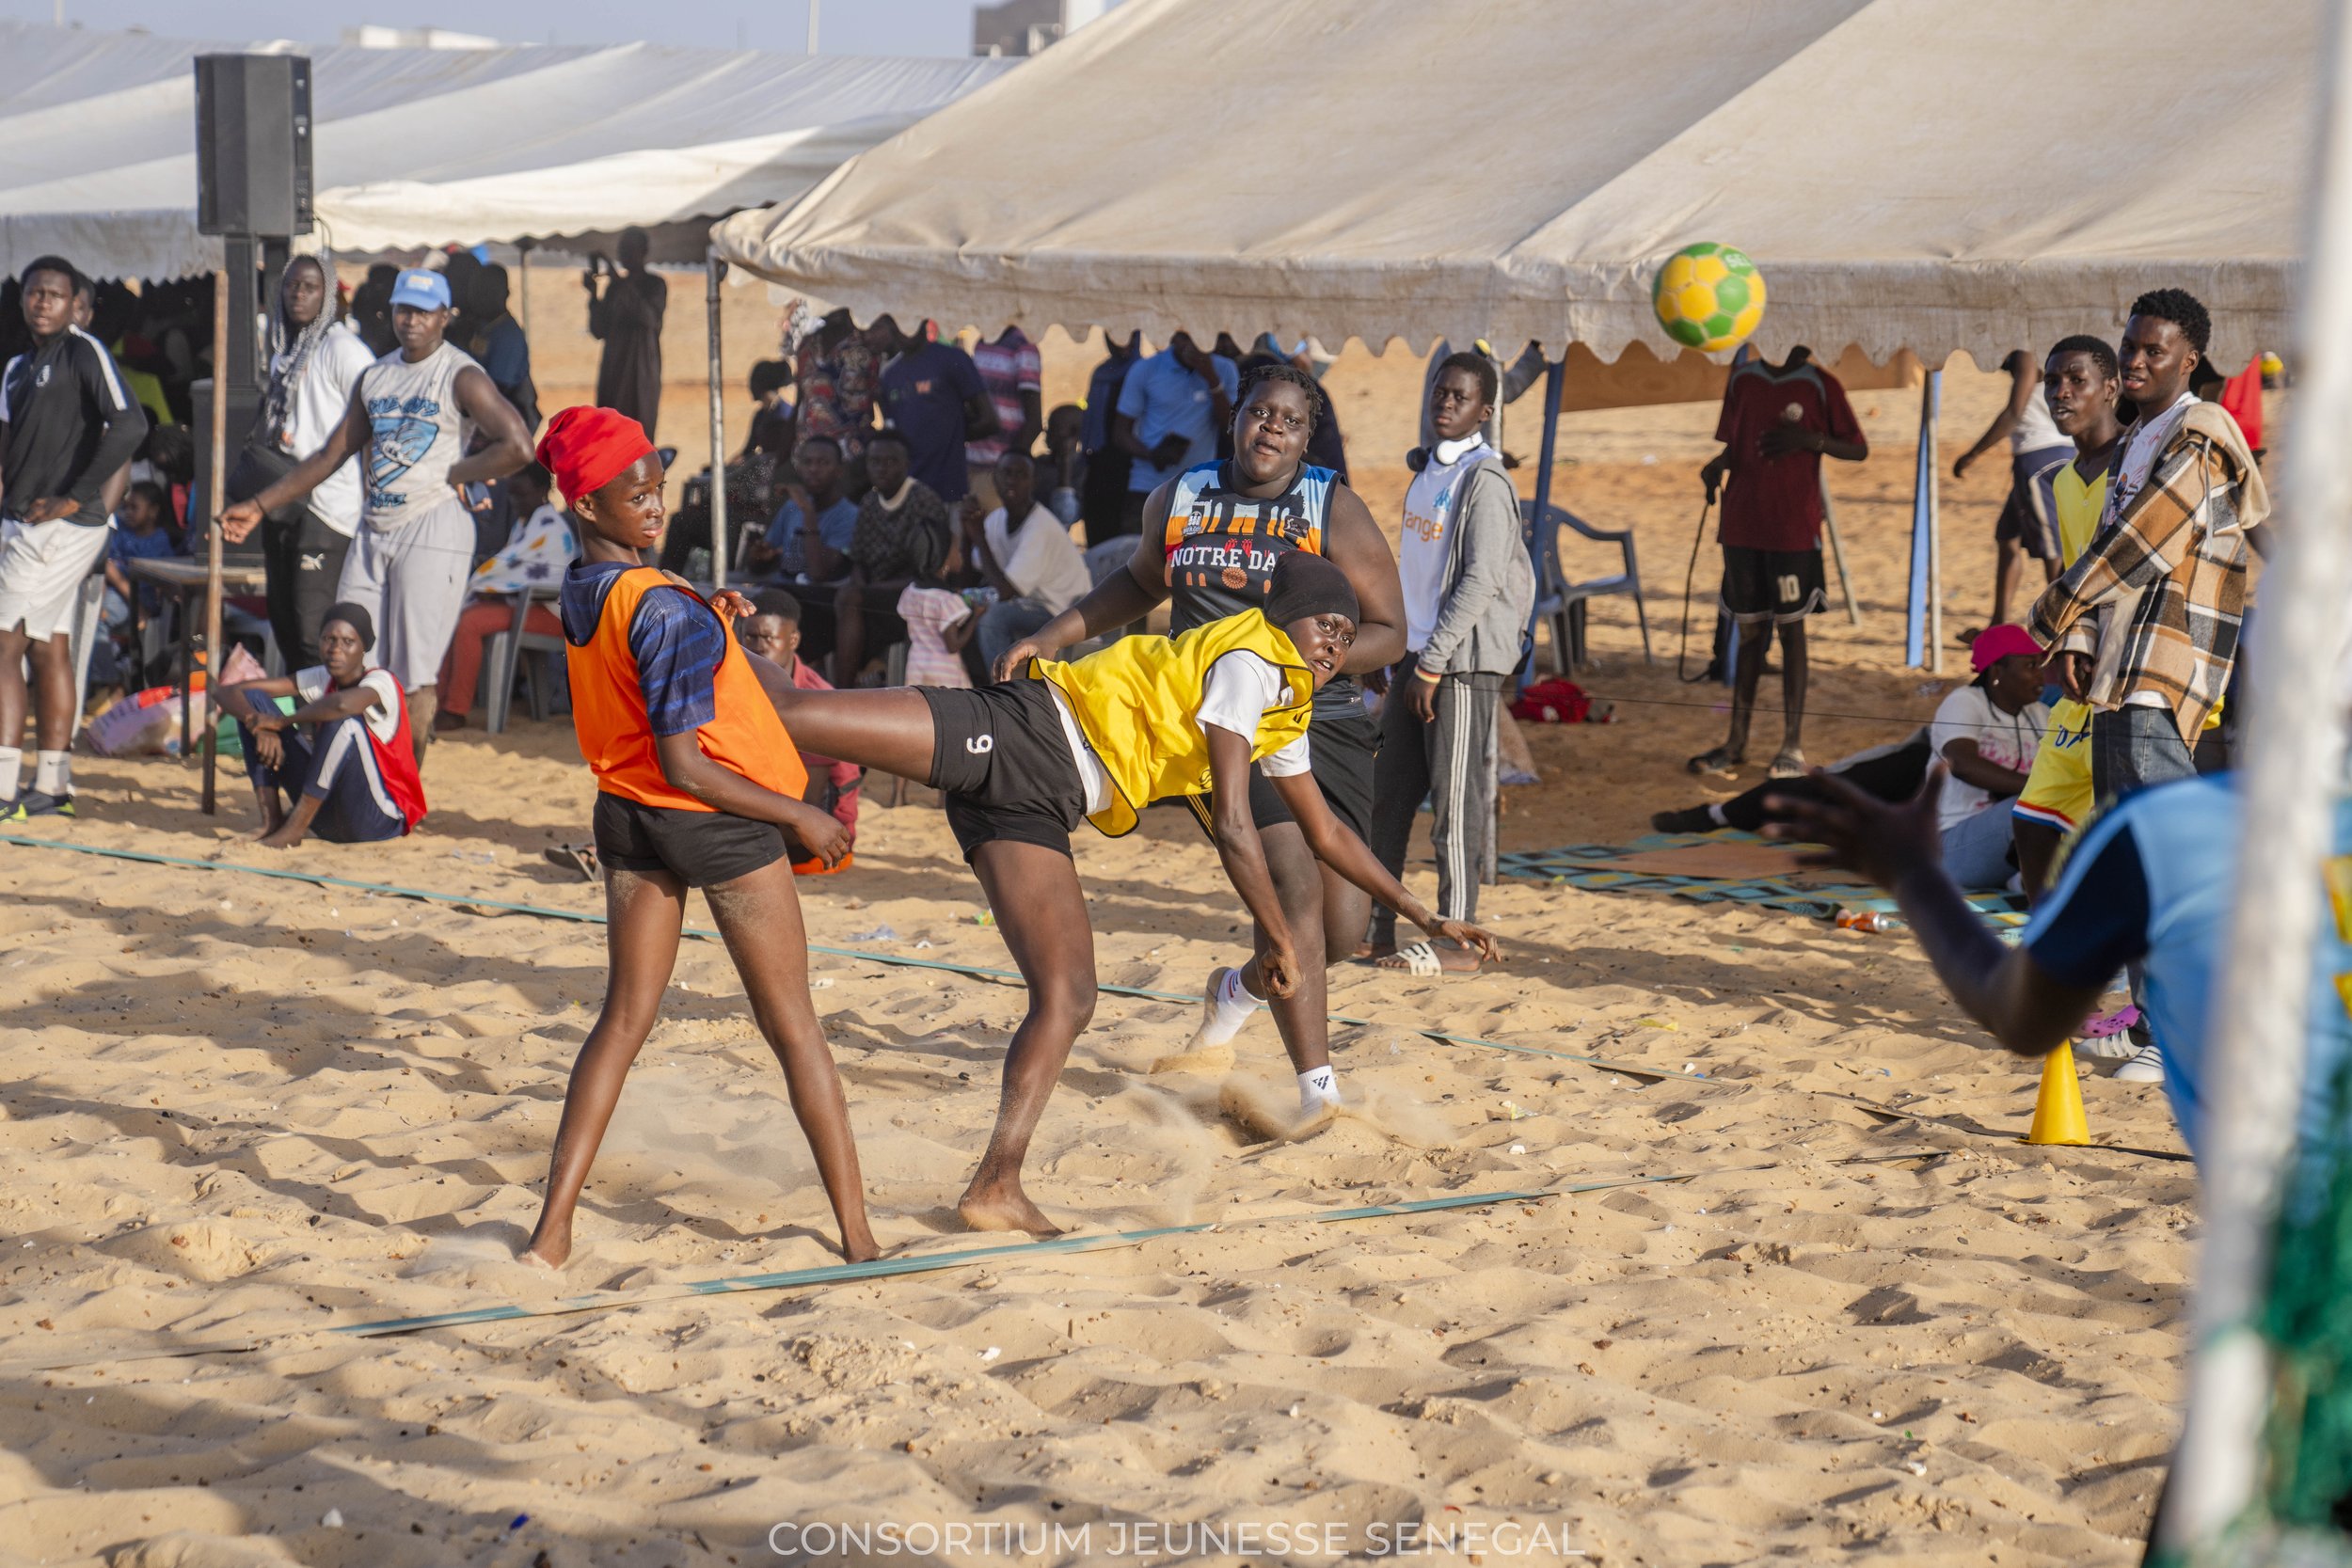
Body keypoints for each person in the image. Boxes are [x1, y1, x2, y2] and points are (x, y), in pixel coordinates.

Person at [766, 550, 1497, 1233]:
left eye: (1346, 632)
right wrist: (1276, 933)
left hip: (1039, 805)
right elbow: (1236, 824)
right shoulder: (1250, 662)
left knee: (1070, 995)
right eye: (1325, 624)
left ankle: (996, 1184)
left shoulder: (1288, 706)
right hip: (1023, 732)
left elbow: (1330, 836)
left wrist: (1423, 912)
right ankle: (706, 643)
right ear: (1286, 620)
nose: (1336, 643)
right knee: (795, 714)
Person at [521, 404, 876, 1270]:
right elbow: (689, 764)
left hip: (624, 815)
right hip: (710, 821)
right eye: (633, 494)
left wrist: (703, 619)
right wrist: (798, 812)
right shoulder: (664, 605)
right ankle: (860, 1236)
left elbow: (639, 650)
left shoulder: (585, 585)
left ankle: (551, 1231)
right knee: (794, 1027)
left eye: (658, 487)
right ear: (586, 505)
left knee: (622, 1019)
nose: (654, 505)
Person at [997, 364, 1409, 1101]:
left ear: (1308, 436)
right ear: (1235, 417)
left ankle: (1235, 995)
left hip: (1325, 722)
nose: (1271, 429)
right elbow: (1138, 581)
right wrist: (1054, 632)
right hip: (1220, 723)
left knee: (1343, 927)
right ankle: (1319, 1090)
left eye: (1288, 420)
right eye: (1259, 413)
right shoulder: (1180, 496)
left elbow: (1391, 630)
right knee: (1291, 889)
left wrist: (1310, 671)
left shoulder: (1332, 508)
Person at [221, 268, 534, 755]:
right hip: (375, 528)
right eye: (404, 310)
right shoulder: (377, 374)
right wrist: (259, 505)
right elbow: (330, 455)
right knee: (349, 651)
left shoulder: (461, 374)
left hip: (433, 526)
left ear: (444, 318)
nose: (412, 321)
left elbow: (518, 446)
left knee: (413, 671)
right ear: (391, 313)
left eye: (424, 313)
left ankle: (404, 786)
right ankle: (359, 769)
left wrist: (459, 472)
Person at [2026, 289, 2268, 806]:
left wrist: (2056, 612)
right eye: (2128, 346)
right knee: (2123, 823)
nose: (2135, 361)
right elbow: (2106, 538)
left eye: (2153, 352)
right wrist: (2081, 637)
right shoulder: (2136, 439)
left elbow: (2140, 545)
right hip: (2118, 663)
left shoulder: (2198, 437)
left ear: (2189, 361)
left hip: (2162, 657)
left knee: (2161, 826)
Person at [1365, 351, 1535, 975]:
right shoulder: (1429, 473)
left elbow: (1484, 577)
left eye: (1459, 396)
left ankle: (1458, 937)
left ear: (1484, 412)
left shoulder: (1484, 481)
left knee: (1455, 804)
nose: (1445, 404)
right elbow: (1417, 572)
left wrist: (1434, 661)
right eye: (1440, 393)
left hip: (1459, 664)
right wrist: (1397, 648)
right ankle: (1377, 924)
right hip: (1419, 654)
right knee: (1389, 797)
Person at [0, 255, 146, 818]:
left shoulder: (84, 351)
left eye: (54, 295)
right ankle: (53, 784)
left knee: (5, 645)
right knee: (48, 645)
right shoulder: (15, 367)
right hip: (23, 522)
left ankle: (6, 787)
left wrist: (76, 496)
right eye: (35, 293)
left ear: (73, 304)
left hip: (60, 528)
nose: (43, 303)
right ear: (22, 298)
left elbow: (130, 423)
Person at [1691, 345, 1868, 779]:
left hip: (1792, 529)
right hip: (1741, 525)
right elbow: (1738, 445)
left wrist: (1810, 441)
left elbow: (1858, 449)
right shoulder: (1743, 378)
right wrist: (1717, 465)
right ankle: (1736, 741)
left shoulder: (1820, 383)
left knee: (1792, 631)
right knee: (1749, 632)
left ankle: (1791, 744)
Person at [2010, 336, 2127, 896]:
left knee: (2128, 844)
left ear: (2111, 388)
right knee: (2033, 825)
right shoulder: (2059, 477)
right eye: (2052, 380)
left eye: (2076, 380)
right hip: (2082, 679)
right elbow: (2073, 577)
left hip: (2134, 677)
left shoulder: (2136, 466)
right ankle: (2046, 967)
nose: (2060, 392)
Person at [233, 254, 375, 673]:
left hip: (328, 507)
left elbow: (374, 418)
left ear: (328, 295)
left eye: (310, 287)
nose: (298, 294)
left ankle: (329, 725)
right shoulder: (284, 350)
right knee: (284, 623)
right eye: (292, 285)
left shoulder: (343, 349)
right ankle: (304, 727)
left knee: (313, 625)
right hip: (284, 499)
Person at [217, 600, 426, 847]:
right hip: (327, 816)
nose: (336, 649)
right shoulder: (321, 676)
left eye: (348, 642)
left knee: (343, 721)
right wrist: (258, 724)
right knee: (253, 701)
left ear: (364, 648)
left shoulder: (382, 681)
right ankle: (271, 819)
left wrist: (282, 722)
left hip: (378, 819)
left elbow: (342, 705)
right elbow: (227, 692)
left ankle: (294, 830)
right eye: (329, 639)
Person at [433, 462, 575, 730]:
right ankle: (437, 700)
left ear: (543, 489)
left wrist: (487, 582)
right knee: (457, 616)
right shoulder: (526, 524)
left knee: (470, 622)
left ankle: (455, 709)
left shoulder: (549, 527)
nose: (514, 501)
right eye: (511, 494)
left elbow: (522, 572)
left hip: (552, 615)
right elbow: (513, 570)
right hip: (527, 607)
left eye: (520, 494)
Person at [736, 588, 860, 872]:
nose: (758, 647)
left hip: (815, 842)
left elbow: (809, 804)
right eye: (750, 637)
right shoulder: (738, 680)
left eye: (769, 638)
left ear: (793, 640)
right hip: (772, 815)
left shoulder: (816, 700)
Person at [817, 427, 951, 685]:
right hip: (873, 591)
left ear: (907, 464)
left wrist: (864, 590)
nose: (882, 468)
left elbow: (927, 572)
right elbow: (859, 559)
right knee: (826, 600)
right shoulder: (870, 501)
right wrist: (859, 584)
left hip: (912, 593)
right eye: (875, 461)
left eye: (891, 462)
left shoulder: (923, 501)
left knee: (850, 599)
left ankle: (841, 689)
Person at [1953, 349, 2074, 638]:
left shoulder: (2026, 353)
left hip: (2040, 457)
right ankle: (1998, 625)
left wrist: (1972, 454)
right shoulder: (2040, 350)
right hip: (2045, 455)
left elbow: (2014, 412)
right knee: (2007, 537)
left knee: (2051, 547)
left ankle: (2059, 627)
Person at [961, 451, 1092, 676]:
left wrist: (979, 538)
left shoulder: (1039, 526)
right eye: (1006, 473)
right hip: (1024, 604)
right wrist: (968, 531)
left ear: (1033, 482)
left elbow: (1004, 592)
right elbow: (972, 572)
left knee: (994, 618)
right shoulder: (997, 519)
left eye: (1021, 475)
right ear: (995, 479)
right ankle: (972, 687)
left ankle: (1003, 694)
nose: (1012, 480)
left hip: (1061, 611)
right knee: (955, 604)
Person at [1113, 333, 1238, 537]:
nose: (1190, 345)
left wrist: (1211, 377)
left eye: (1196, 336)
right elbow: (1120, 434)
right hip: (1148, 486)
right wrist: (1153, 455)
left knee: (1188, 563)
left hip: (1198, 490)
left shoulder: (1224, 370)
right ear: (1171, 337)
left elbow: (1231, 429)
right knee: (1138, 557)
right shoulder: (1146, 370)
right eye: (1183, 337)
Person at [869, 315, 996, 505]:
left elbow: (990, 420)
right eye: (898, 324)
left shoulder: (953, 359)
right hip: (907, 495)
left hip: (948, 489)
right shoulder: (889, 375)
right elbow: (893, 433)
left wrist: (949, 438)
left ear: (924, 321)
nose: (905, 330)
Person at [583, 228, 666, 437]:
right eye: (622, 251)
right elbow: (599, 330)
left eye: (630, 250)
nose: (624, 256)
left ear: (643, 251)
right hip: (614, 369)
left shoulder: (654, 284)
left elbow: (649, 318)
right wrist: (594, 296)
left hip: (640, 370)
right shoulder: (614, 289)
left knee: (639, 434)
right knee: (609, 431)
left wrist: (619, 281)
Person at [743, 434, 857, 585]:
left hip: (816, 599)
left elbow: (817, 574)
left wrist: (808, 512)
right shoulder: (792, 506)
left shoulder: (850, 515)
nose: (813, 469)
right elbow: (756, 567)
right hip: (783, 587)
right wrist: (758, 556)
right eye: (807, 462)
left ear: (839, 470)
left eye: (823, 463)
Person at [792, 309, 878, 478]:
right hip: (808, 458)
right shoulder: (808, 346)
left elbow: (881, 396)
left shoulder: (866, 345)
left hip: (852, 458)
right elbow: (800, 402)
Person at [1420, 339, 1546, 453]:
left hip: (1441, 449)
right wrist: (1534, 348)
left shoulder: (1451, 344)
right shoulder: (1471, 350)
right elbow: (1503, 391)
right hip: (1457, 453)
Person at [1078, 333, 1140, 545]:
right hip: (1098, 468)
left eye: (1129, 336)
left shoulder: (1145, 373)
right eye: (1115, 336)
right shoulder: (1101, 374)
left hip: (1131, 470)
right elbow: (1088, 426)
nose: (1122, 342)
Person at [966, 325, 1042, 494]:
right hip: (973, 465)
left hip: (998, 472)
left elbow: (1034, 421)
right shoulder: (982, 344)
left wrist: (1007, 469)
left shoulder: (1023, 346)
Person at [465, 264, 539, 433]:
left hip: (506, 419)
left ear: (506, 295)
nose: (478, 298)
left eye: (486, 293)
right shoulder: (482, 326)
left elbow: (499, 387)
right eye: (476, 292)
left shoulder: (508, 335)